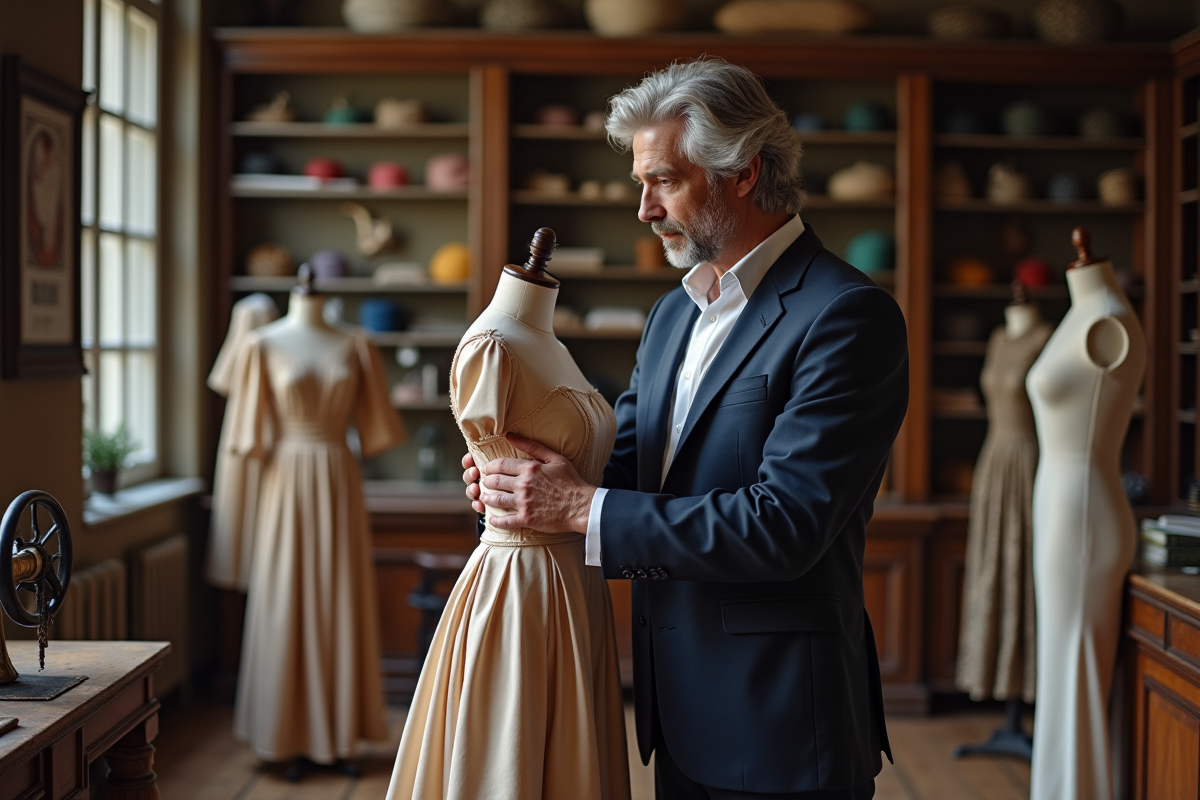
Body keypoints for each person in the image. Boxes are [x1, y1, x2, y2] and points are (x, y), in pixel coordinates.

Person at [465, 58, 908, 799]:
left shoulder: (846, 315)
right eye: (642, 183)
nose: (644, 209)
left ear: (742, 172)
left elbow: (787, 524)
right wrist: (522, 480)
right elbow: (628, 465)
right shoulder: (674, 313)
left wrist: (576, 507)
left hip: (782, 727)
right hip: (674, 712)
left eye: (663, 180)